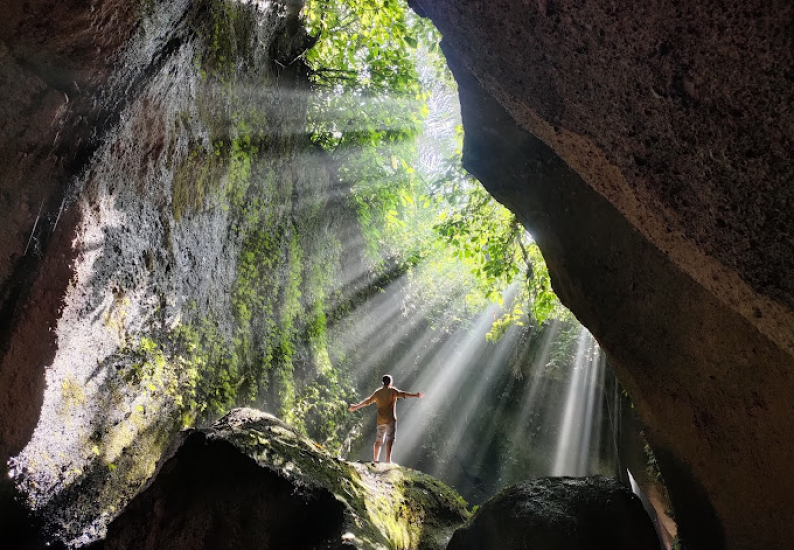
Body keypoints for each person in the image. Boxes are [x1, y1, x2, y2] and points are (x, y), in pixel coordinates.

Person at [348, 374, 424, 463]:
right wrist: (416, 395)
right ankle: (388, 460)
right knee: (390, 439)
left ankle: (375, 460)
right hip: (390, 420)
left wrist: (355, 407)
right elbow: (404, 394)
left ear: (383, 382)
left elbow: (367, 401)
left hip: (380, 420)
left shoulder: (378, 392)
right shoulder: (392, 391)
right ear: (390, 382)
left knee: (379, 440)